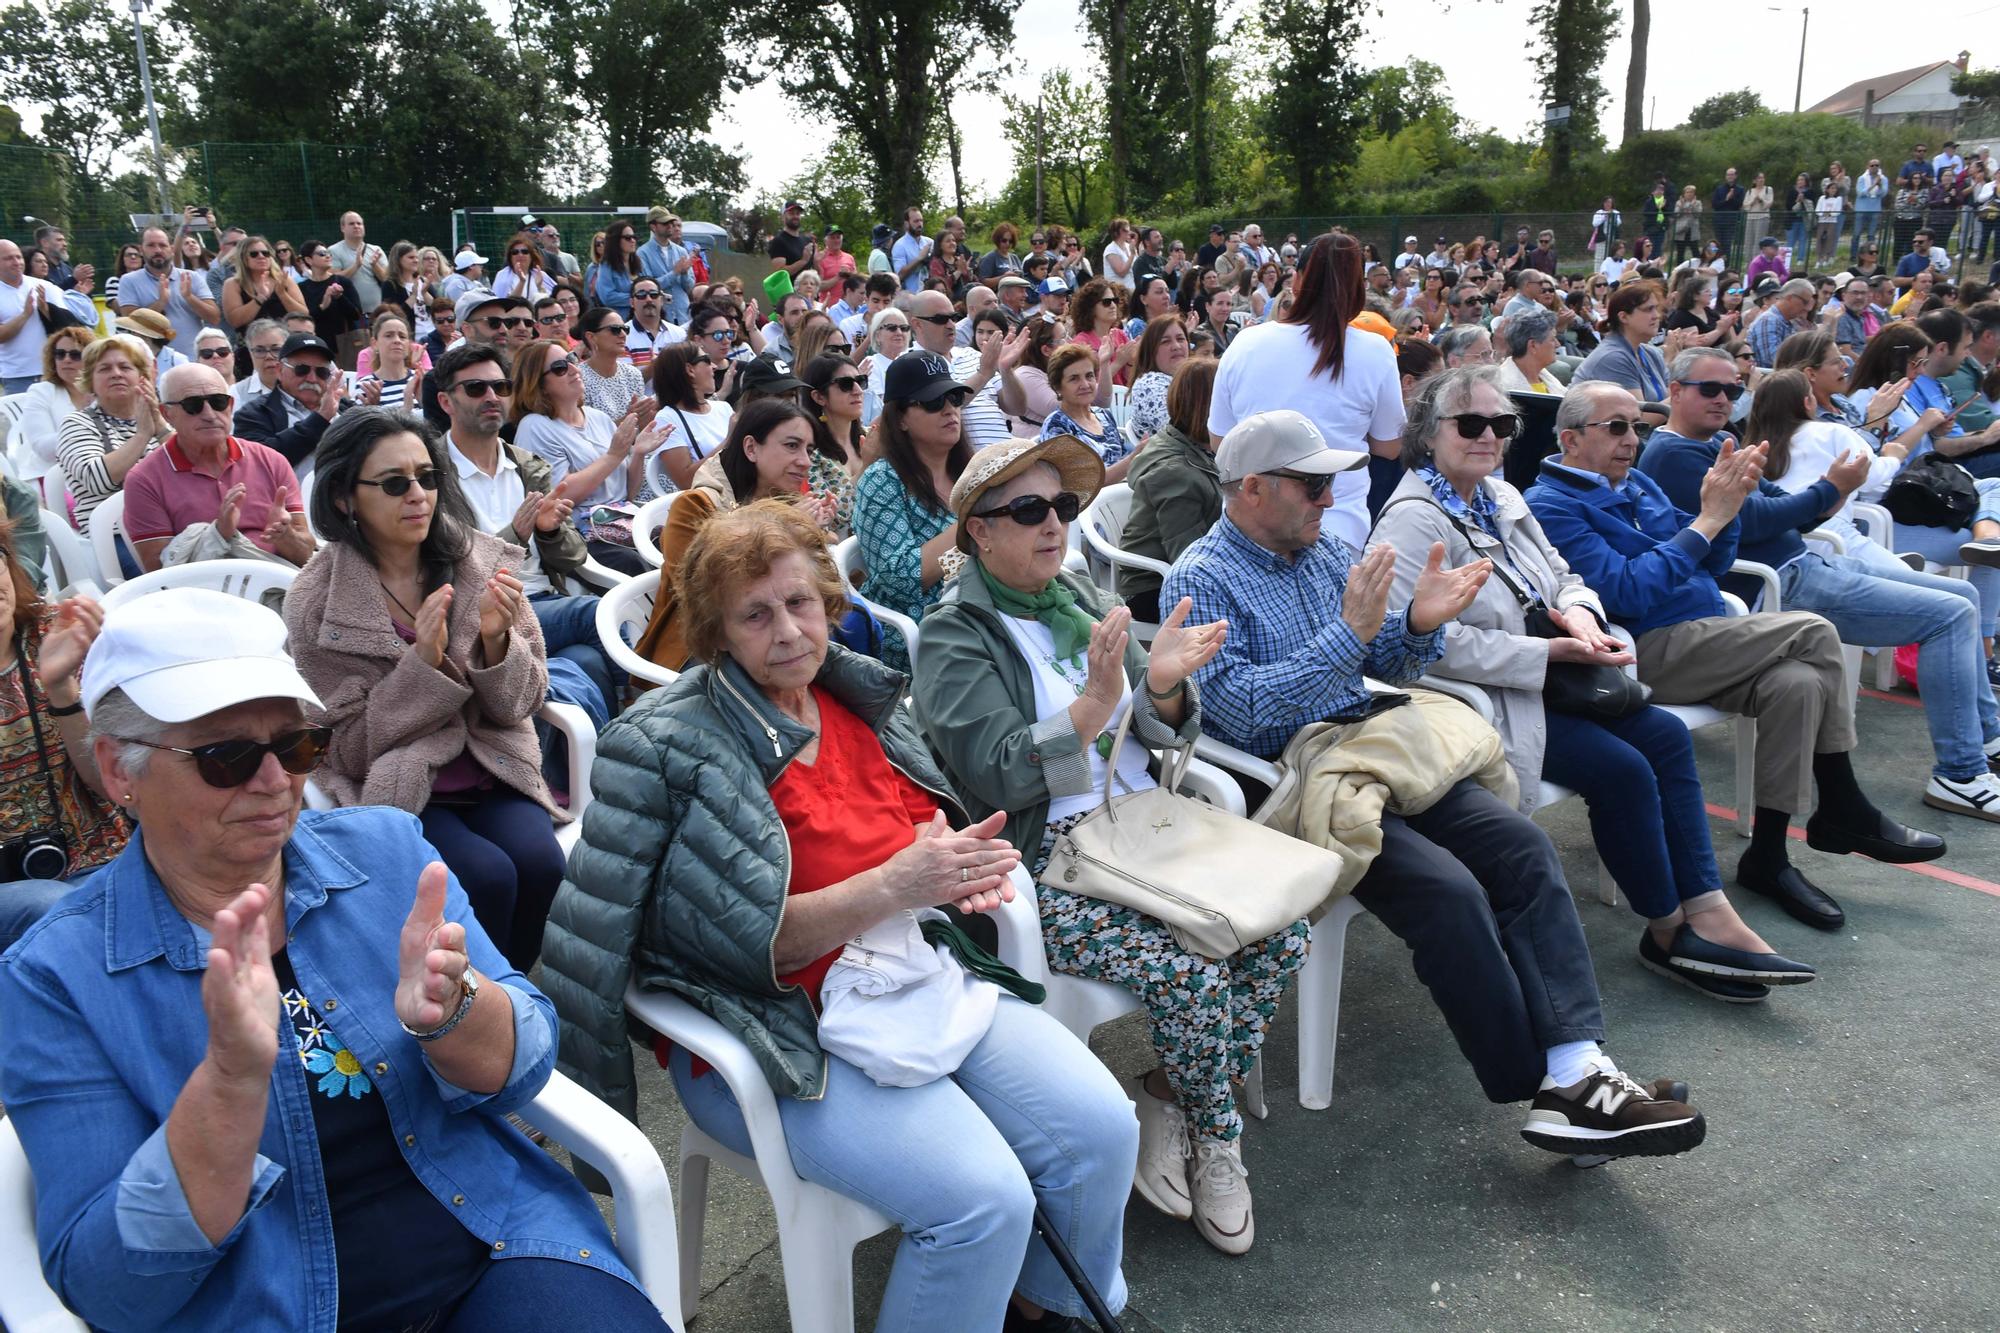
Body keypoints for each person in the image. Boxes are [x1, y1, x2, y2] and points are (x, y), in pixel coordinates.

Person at [0, 588, 665, 1329]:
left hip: (492, 1251)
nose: (274, 780)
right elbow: (109, 1286)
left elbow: (526, 1065)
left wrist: (458, 1013)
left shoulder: (385, 851)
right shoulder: (53, 981)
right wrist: (228, 1088)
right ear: (120, 771)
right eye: (225, 756)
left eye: (295, 745)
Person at [545, 499, 1133, 1332]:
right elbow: (728, 947)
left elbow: (917, 821)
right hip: (774, 1031)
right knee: (983, 1199)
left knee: (1101, 1129)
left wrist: (948, 859)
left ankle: (1045, 1305)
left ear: (830, 600)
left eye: (801, 602)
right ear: (716, 631)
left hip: (910, 975)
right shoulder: (664, 743)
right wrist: (895, 885)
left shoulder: (854, 697)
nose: (787, 631)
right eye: (755, 614)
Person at [1161, 408, 1707, 1159]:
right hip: (1296, 782)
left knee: (1523, 849)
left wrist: (1417, 620)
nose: (1329, 500)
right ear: (1252, 488)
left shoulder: (1320, 552)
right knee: (1449, 894)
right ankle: (1547, 1083)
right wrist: (1347, 638)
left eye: (1331, 486)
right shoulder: (1201, 577)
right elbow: (1241, 714)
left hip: (1380, 750)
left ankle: (1578, 1068)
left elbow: (1385, 659)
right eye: (1314, 485)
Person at [913, 434, 1298, 1254]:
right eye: (1028, 510)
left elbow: (1158, 729)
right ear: (978, 532)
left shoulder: (1075, 592)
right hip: (1049, 859)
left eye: (1061, 506)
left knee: (1280, 923)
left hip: (1142, 825)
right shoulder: (953, 635)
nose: (1053, 525)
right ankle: (1218, 1134)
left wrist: (1159, 684)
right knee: (1191, 968)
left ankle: (1170, 1092)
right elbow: (998, 775)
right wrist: (1092, 702)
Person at [1373, 366, 1816, 1000]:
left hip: (1552, 678)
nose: (1489, 436)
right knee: (1623, 769)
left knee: (1663, 734)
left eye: (1502, 424)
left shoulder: (1502, 498)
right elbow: (1416, 648)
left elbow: (1564, 577)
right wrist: (1545, 651)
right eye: (1471, 424)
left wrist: (1581, 614)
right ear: (1428, 434)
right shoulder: (1412, 522)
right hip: (1486, 703)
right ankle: (1667, 933)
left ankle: (1711, 909)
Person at [1528, 380, 1947, 932]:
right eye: (1617, 427)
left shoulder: (1640, 483)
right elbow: (1626, 593)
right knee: (1815, 632)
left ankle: (1769, 857)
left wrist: (1723, 510)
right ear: (1571, 439)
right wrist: (1706, 523)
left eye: (1638, 427)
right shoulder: (1552, 504)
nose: (1632, 439)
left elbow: (1711, 562)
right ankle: (1844, 807)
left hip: (1705, 634)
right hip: (1638, 650)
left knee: (1795, 683)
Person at [287, 408, 569, 973]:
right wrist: (423, 667)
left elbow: (523, 702)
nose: (417, 494)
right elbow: (345, 749)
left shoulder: (478, 561)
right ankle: (471, 1002)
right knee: (484, 876)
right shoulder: (318, 600)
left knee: (541, 866)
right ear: (345, 497)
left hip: (492, 756)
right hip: (403, 772)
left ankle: (505, 990)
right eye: (394, 483)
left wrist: (494, 642)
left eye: (427, 477)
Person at [1715, 359, 2000, 815]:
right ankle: (1960, 773)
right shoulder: (1703, 451)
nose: (1722, 400)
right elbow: (1757, 518)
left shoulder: (1739, 445)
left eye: (1729, 391)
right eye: (1711, 390)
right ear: (1808, 398)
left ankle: (1986, 736)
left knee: (1963, 597)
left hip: (1812, 552)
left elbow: (1781, 509)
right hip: (1795, 571)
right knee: (1951, 613)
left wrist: (1824, 496)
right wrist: (1834, 486)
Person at [1206, 232, 1402, 554]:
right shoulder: (1375, 350)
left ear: (1295, 281)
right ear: (1359, 289)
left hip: (1251, 527)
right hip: (1337, 526)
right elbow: (1389, 445)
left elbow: (1221, 442)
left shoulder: (1246, 342)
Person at [633, 399, 829, 673]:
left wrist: (813, 535)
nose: (805, 462)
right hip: (703, 647)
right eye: (791, 446)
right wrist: (787, 532)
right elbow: (701, 592)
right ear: (751, 448)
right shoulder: (695, 506)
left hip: (781, 630)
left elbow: (821, 587)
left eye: (809, 450)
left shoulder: (786, 502)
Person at [0, 528, 124, 949]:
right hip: (18, 893)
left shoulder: (57, 636)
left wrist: (61, 690)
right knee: (54, 909)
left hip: (101, 858)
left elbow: (113, 785)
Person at [121, 362, 316, 574]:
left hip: (280, 584)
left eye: (218, 402)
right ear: (167, 414)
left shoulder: (271, 460)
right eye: (193, 405)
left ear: (230, 407)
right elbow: (159, 573)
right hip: (203, 596)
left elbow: (305, 556)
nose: (209, 414)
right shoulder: (145, 479)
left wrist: (286, 536)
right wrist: (218, 535)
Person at [852, 353, 973, 667]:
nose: (949, 410)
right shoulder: (881, 481)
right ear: (901, 418)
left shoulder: (970, 471)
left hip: (980, 608)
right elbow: (902, 579)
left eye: (955, 397)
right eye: (933, 401)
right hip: (922, 630)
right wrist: (973, 518)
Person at [511, 339, 669, 573]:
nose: (575, 369)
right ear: (539, 384)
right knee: (638, 565)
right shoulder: (535, 426)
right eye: (560, 368)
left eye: (572, 359)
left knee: (682, 542)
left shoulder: (599, 418)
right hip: (582, 536)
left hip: (624, 522)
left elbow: (627, 492)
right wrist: (614, 455)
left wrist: (637, 453)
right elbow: (557, 495)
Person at [1120, 357, 1221, 623]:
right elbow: (1188, 559)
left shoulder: (1186, 442)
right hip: (1153, 588)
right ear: (1208, 407)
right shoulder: (1176, 473)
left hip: (1177, 573)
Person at [55, 335, 169, 542]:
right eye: (105, 369)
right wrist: (142, 435)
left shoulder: (158, 418)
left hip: (173, 523)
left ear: (142, 378)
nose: (116, 374)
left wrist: (159, 424)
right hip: (116, 536)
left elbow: (191, 463)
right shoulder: (77, 423)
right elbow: (97, 480)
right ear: (90, 382)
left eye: (125, 368)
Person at [233, 331, 346, 471]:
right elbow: (260, 464)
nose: (312, 378)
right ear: (280, 371)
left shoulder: (344, 409)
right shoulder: (253, 415)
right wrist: (320, 419)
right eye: (302, 370)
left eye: (321, 372)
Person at [7, 326, 95, 498]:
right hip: (51, 476)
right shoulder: (41, 391)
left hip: (97, 472)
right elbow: (43, 448)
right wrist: (85, 421)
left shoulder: (101, 390)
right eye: (60, 354)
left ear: (92, 359)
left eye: (75, 355)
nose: (66, 360)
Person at [1039, 343, 1131, 481]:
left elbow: (1124, 454)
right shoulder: (1057, 426)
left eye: (1089, 376)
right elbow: (1082, 485)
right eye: (1074, 379)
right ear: (1058, 387)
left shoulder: (1103, 415)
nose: (1085, 385)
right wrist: (1135, 457)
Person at [219, 235, 306, 336]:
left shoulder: (284, 280)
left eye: (265, 253)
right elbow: (235, 321)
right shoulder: (233, 284)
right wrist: (259, 298)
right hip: (253, 344)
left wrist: (282, 294)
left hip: (287, 340)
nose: (261, 256)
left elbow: (303, 315)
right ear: (243, 258)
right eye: (254, 254)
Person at [576, 305, 648, 421]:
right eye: (615, 329)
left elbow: (643, 425)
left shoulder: (633, 374)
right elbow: (587, 432)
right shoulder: (578, 378)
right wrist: (629, 418)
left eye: (625, 329)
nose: (623, 335)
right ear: (591, 337)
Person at [1128, 312, 1191, 443]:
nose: (1176, 346)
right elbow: (1182, 435)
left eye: (1180, 339)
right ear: (1151, 350)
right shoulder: (1149, 384)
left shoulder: (1188, 379)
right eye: (1165, 342)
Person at [293, 240, 364, 346]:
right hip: (317, 345)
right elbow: (302, 320)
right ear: (308, 260)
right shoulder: (302, 288)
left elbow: (356, 314)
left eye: (328, 253)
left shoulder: (343, 281)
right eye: (322, 254)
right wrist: (322, 306)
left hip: (345, 346)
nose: (327, 256)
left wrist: (340, 297)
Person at [638, 208, 698, 324]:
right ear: (653, 227)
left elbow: (690, 287)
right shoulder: (642, 253)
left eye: (671, 222)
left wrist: (684, 273)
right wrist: (675, 273)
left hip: (683, 316)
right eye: (665, 223)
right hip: (660, 318)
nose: (670, 226)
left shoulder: (681, 251)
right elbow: (648, 288)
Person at [352, 312, 420, 413]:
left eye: (402, 336)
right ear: (374, 344)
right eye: (389, 336)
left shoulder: (419, 380)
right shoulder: (366, 386)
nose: (397, 340)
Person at [326, 210, 390, 313]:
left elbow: (386, 279)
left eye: (359, 223)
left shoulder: (376, 250)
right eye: (351, 224)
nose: (356, 226)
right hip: (351, 313)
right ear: (343, 228)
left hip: (377, 311)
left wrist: (375, 265)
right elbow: (333, 280)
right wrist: (356, 266)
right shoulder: (333, 250)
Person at [1495, 307, 1567, 398]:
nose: (1558, 345)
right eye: (1552, 339)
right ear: (1533, 345)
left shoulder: (1544, 376)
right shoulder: (1505, 387)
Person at [586, 221, 642, 319]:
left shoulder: (638, 262)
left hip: (641, 318)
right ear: (615, 240)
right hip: (620, 321)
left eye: (634, 237)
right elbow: (607, 297)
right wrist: (637, 299)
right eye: (628, 238)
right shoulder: (606, 266)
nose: (633, 240)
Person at [491, 231, 557, 304]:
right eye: (515, 252)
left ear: (531, 256)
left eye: (525, 252)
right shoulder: (502, 276)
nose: (520, 255)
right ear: (510, 257)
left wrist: (540, 287)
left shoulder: (541, 275)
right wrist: (522, 282)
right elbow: (504, 304)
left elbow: (552, 302)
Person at [1712, 167, 1746, 264]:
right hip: (1718, 220)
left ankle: (1726, 265)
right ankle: (1715, 263)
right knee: (1717, 244)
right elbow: (1715, 205)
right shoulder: (1719, 189)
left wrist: (1732, 198)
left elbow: (1739, 204)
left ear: (1735, 176)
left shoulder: (1740, 189)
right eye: (1728, 174)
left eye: (1731, 174)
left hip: (1731, 221)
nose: (1729, 176)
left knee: (1727, 244)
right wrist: (1726, 199)